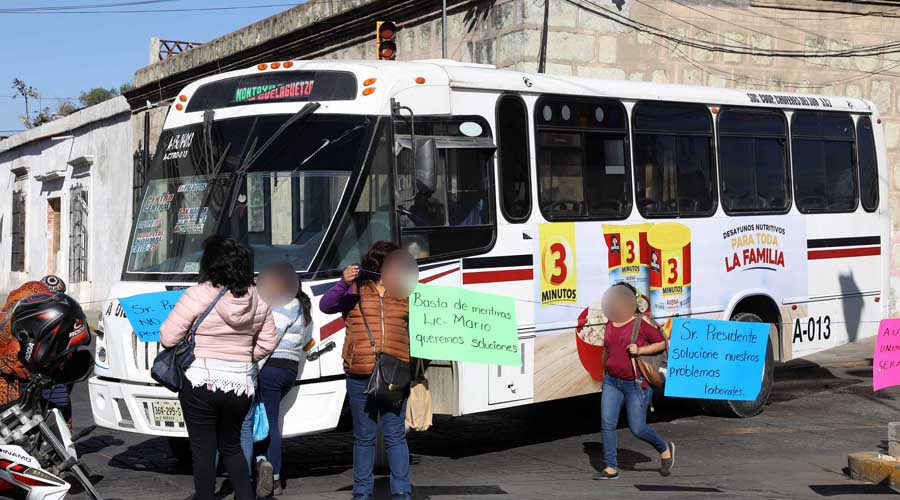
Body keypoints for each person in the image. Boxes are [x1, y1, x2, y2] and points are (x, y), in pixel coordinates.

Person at [160, 237, 277, 500]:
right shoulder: (258, 297)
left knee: (203, 453)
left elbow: (168, 337)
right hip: (240, 384)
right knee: (233, 447)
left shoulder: (198, 294)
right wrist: (245, 357)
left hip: (202, 380)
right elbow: (269, 341)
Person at [319, 241, 412, 500]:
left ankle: (402, 491)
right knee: (364, 437)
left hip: (394, 373)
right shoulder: (355, 290)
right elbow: (326, 305)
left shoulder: (405, 292)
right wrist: (342, 282)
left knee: (395, 436)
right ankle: (362, 492)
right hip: (360, 373)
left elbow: (425, 325)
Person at [595, 281, 674, 480]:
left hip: (636, 383)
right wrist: (604, 374)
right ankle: (610, 467)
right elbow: (608, 350)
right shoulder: (610, 322)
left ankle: (664, 448)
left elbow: (662, 344)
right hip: (612, 381)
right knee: (607, 424)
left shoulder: (642, 322)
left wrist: (640, 350)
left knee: (637, 428)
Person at [253, 262, 314, 497]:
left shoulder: (283, 306)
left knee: (264, 422)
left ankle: (269, 472)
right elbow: (307, 342)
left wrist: (251, 371)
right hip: (288, 370)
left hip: (270, 368)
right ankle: (266, 469)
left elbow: (269, 341)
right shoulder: (303, 307)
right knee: (270, 420)